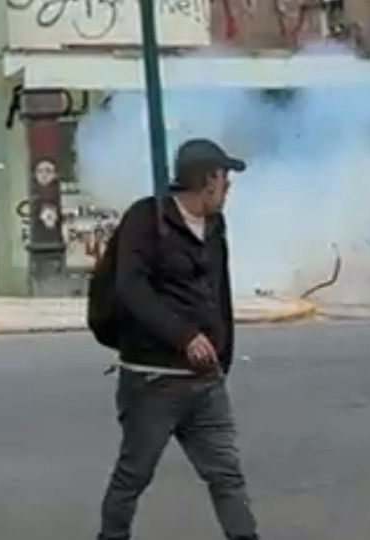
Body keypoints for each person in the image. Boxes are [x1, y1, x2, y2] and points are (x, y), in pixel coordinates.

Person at [97, 139, 259, 539]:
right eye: (225, 177)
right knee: (134, 473)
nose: (229, 186)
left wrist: (223, 355)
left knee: (226, 475)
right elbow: (131, 289)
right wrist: (183, 335)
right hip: (154, 379)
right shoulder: (146, 219)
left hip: (205, 379)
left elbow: (218, 293)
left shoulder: (216, 226)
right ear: (208, 179)